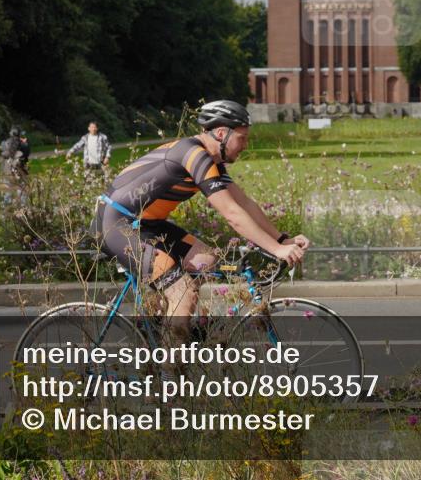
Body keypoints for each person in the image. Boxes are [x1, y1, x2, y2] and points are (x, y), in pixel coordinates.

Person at [90, 100, 309, 340]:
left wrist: (281, 239)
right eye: (242, 138)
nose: (245, 145)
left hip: (147, 225)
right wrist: (276, 250)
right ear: (222, 133)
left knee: (207, 260)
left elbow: (244, 204)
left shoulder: (212, 162)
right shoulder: (193, 155)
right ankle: (173, 360)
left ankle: (164, 328)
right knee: (182, 291)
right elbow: (232, 214)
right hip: (116, 225)